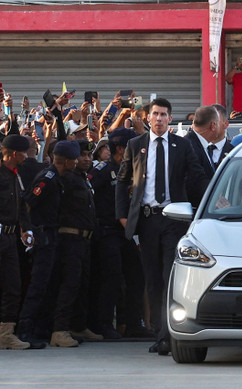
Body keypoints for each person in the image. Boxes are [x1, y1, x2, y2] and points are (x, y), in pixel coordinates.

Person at [115, 98, 208, 355]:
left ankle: (169, 332)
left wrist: (214, 198)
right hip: (146, 220)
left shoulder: (182, 145)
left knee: (170, 275)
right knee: (152, 278)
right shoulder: (135, 145)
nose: (158, 118)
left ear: (170, 118)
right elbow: (122, 182)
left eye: (163, 114)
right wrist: (123, 216)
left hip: (173, 218)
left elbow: (197, 176)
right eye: (155, 114)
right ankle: (159, 332)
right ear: (147, 118)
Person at [17, 140, 79, 348]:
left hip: (51, 234)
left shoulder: (58, 177)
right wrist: (27, 230)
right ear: (67, 161)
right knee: (39, 283)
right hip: (43, 235)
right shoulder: (47, 178)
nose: (78, 162)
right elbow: (27, 203)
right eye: (75, 159)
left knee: (49, 283)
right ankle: (25, 329)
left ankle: (40, 328)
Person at [88, 128, 150, 339]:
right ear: (122, 148)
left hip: (125, 232)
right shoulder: (103, 170)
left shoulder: (133, 169)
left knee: (136, 275)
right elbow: (89, 196)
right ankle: (104, 324)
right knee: (111, 278)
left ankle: (133, 323)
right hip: (106, 232)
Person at [49, 140, 98, 347]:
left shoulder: (82, 178)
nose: (86, 159)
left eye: (89, 155)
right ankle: (59, 330)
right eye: (82, 155)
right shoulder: (64, 178)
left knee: (81, 284)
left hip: (85, 239)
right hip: (70, 238)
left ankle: (78, 326)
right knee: (69, 284)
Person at [0, 135, 33, 350]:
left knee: (12, 286)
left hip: (10, 238)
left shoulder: (15, 174)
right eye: (24, 152)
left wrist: (26, 228)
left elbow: (21, 204)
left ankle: (5, 334)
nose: (27, 155)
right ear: (14, 154)